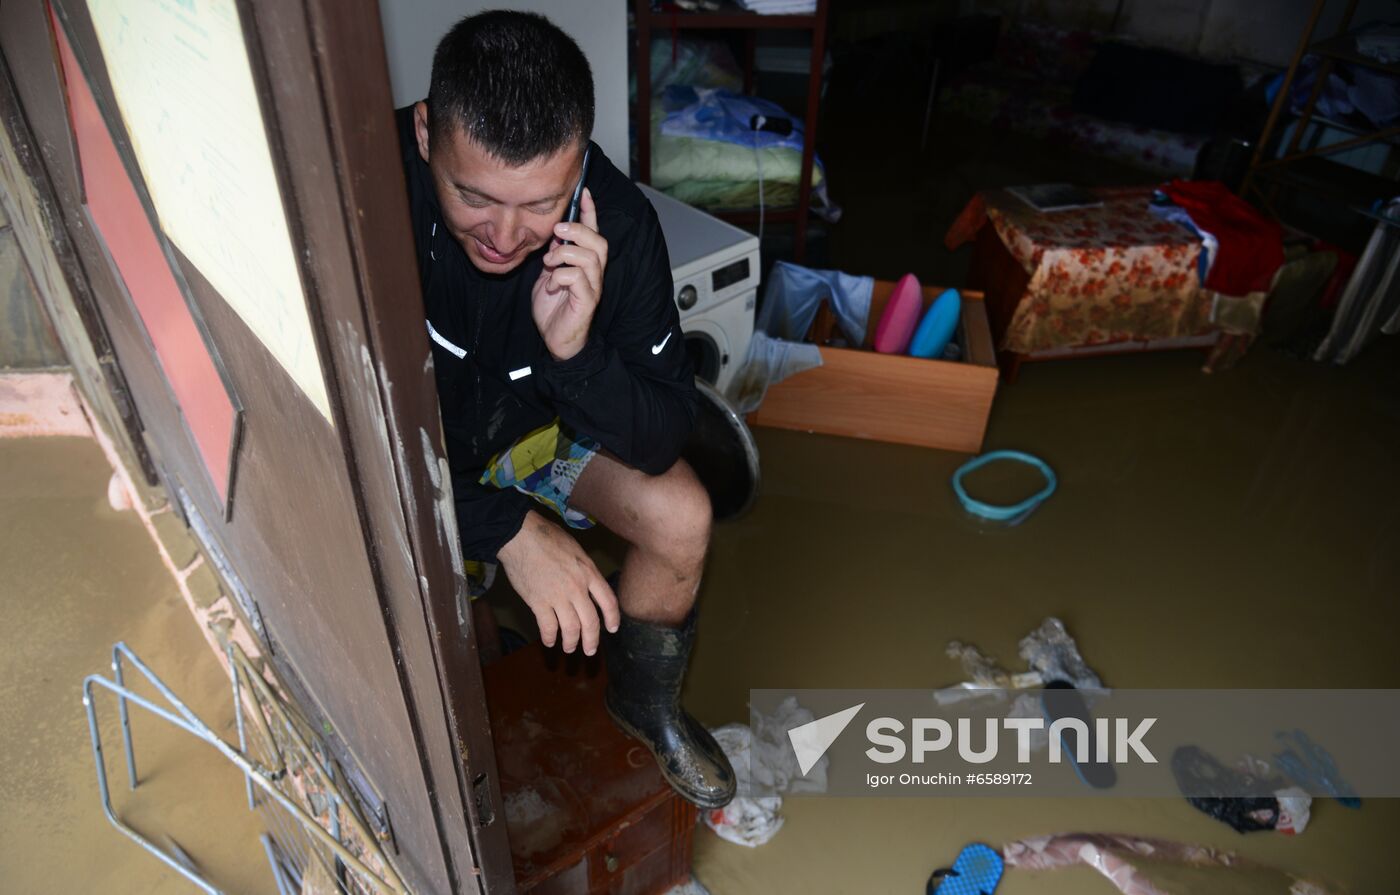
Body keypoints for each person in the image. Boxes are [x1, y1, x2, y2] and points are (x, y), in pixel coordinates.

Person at [397, 11, 734, 809]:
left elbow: (658, 436)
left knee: (682, 513)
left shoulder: (614, 220)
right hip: (409, 457)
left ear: (579, 164)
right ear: (423, 135)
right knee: (448, 639)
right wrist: (506, 529)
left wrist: (577, 355)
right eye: (472, 195)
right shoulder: (364, 202)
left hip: (534, 435)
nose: (505, 236)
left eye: (541, 204)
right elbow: (328, 433)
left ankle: (642, 704)